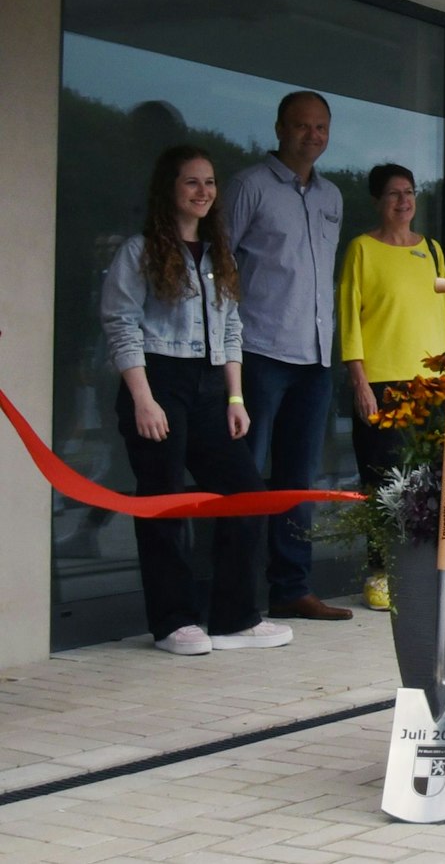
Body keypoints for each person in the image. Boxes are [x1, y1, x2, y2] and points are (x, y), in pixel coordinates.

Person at [102, 145, 293, 655]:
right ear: (170, 190)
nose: (204, 191)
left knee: (246, 496)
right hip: (157, 380)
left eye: (209, 182)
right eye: (192, 182)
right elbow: (121, 327)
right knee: (164, 503)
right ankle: (173, 623)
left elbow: (232, 329)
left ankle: (235, 618)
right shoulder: (138, 252)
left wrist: (236, 397)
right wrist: (143, 399)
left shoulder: (219, 257)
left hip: (212, 386)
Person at [225, 91, 350, 621]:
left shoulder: (332, 197)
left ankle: (291, 588)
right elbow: (220, 267)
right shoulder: (248, 187)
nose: (312, 135)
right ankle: (239, 594)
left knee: (299, 479)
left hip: (315, 358)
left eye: (321, 127)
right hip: (259, 351)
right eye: (302, 126)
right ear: (279, 128)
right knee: (247, 476)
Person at [338, 163, 445, 611]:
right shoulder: (362, 249)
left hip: (432, 386)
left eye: (409, 192)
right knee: (384, 482)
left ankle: (421, 570)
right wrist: (359, 382)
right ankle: (382, 570)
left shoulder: (434, 251)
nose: (403, 202)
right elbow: (349, 319)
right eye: (393, 194)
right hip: (382, 383)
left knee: (428, 481)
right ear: (377, 201)